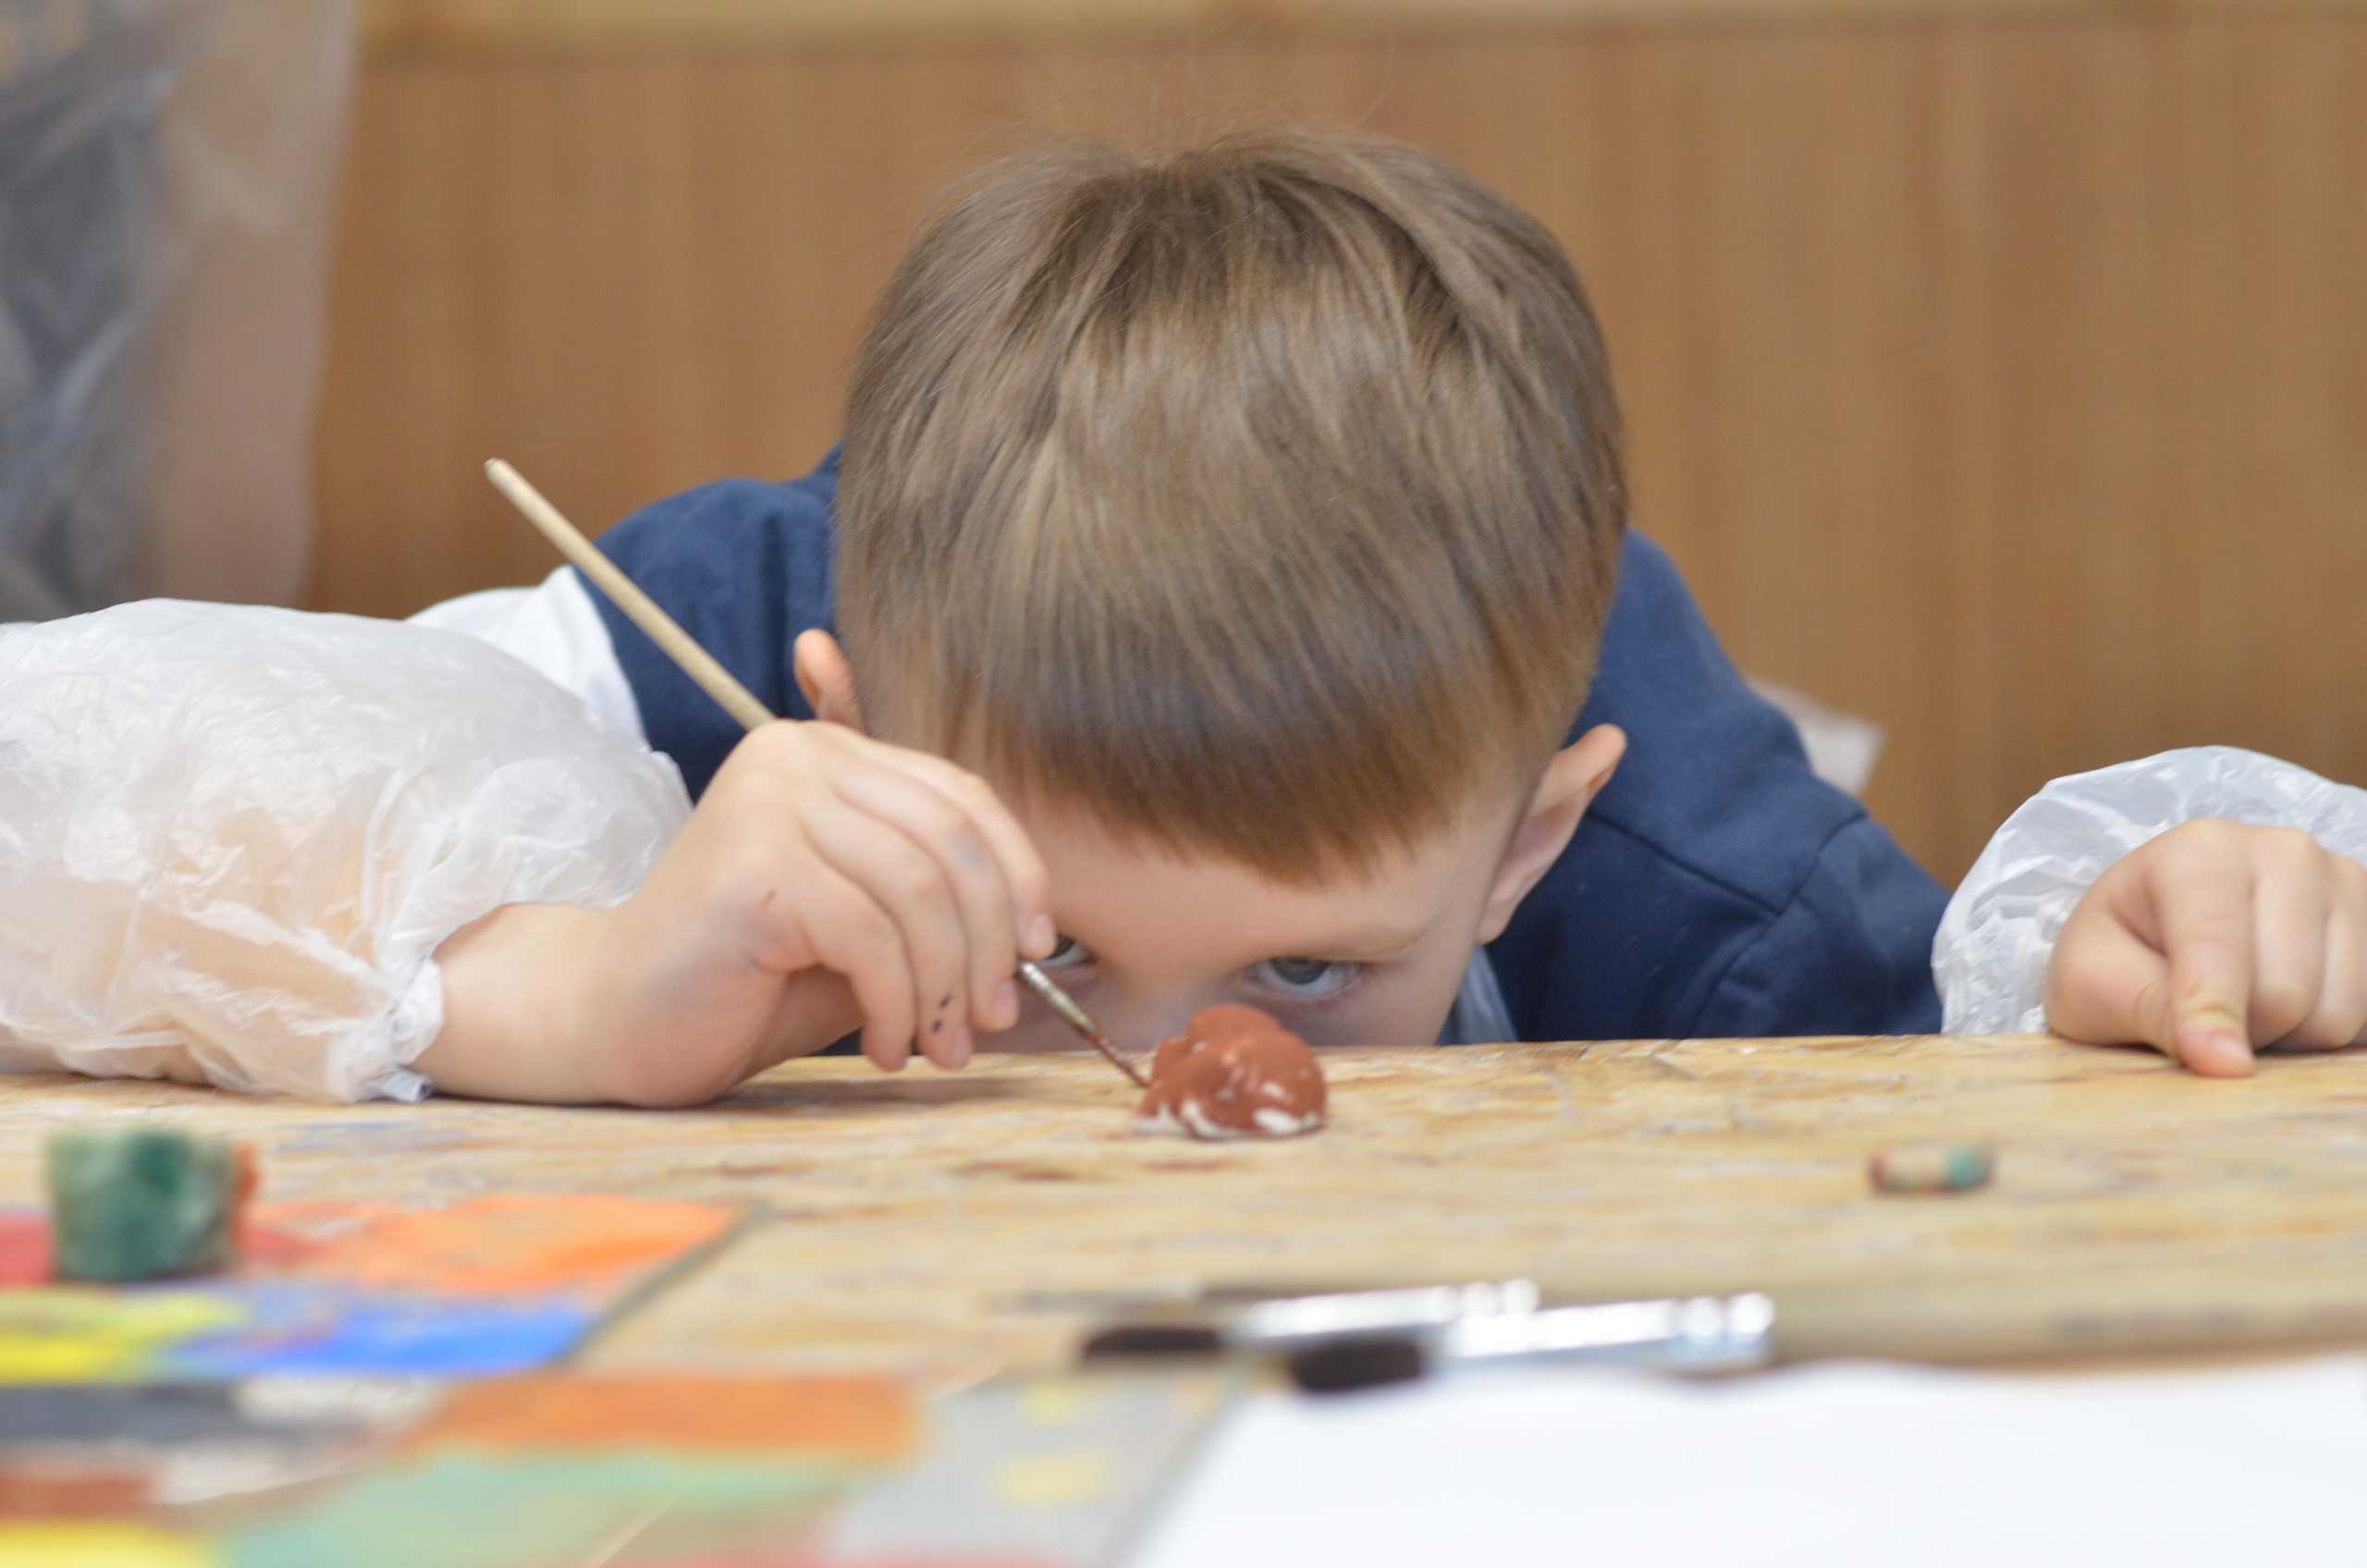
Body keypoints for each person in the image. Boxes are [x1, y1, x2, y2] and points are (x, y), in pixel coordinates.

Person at [4, 130, 2361, 1103]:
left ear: (1529, 846)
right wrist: (573, 978)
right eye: (1028, 951)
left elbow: (1968, 1079)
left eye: (1311, 969)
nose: (1156, 1075)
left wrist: (2145, 958)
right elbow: (75, 783)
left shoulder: (1701, 892)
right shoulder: (707, 641)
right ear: (839, 703)